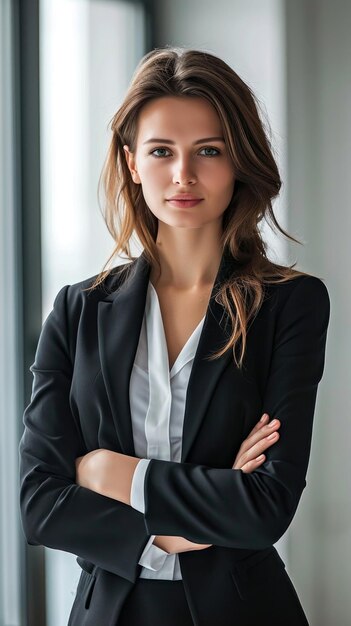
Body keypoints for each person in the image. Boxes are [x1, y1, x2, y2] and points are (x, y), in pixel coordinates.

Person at [19, 47, 330, 626]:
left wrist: (113, 473)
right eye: (161, 151)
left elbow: (266, 506)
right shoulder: (77, 309)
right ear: (132, 162)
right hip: (109, 612)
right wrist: (165, 534)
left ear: (238, 161)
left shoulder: (291, 303)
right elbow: (40, 506)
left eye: (208, 151)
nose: (183, 175)